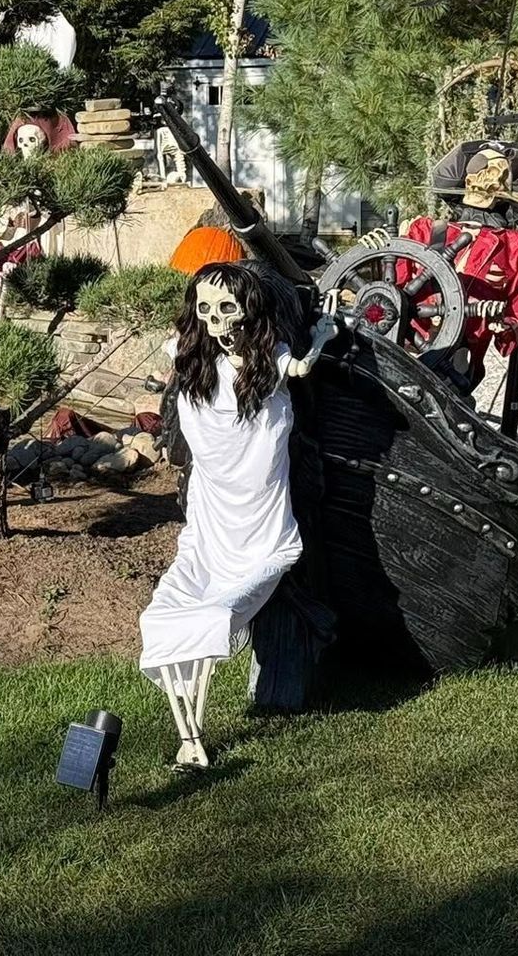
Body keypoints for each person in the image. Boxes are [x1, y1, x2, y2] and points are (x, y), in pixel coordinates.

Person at [139, 261, 337, 767]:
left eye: (228, 309)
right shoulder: (195, 363)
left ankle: (192, 738)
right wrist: (323, 335)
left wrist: (320, 333)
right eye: (205, 310)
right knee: (173, 612)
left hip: (259, 518)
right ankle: (189, 737)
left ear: (250, 312)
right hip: (214, 516)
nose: (217, 322)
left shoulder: (267, 361)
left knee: (217, 609)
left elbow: (302, 367)